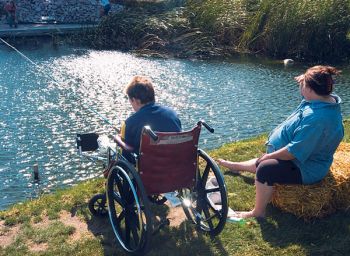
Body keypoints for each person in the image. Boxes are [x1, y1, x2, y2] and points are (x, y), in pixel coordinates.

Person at [218, 65, 344, 219]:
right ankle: (236, 167)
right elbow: (317, 85)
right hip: (301, 158)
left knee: (265, 168)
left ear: (311, 90)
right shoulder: (324, 99)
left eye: (302, 85)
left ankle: (258, 212)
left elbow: (293, 152)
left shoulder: (317, 119)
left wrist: (269, 157)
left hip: (306, 167)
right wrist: (307, 79)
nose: (300, 87)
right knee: (266, 160)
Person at [120, 75, 182, 163]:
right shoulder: (173, 114)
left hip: (150, 172)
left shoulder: (130, 122)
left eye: (129, 100)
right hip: (177, 167)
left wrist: (118, 139)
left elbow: (126, 157)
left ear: (134, 100)